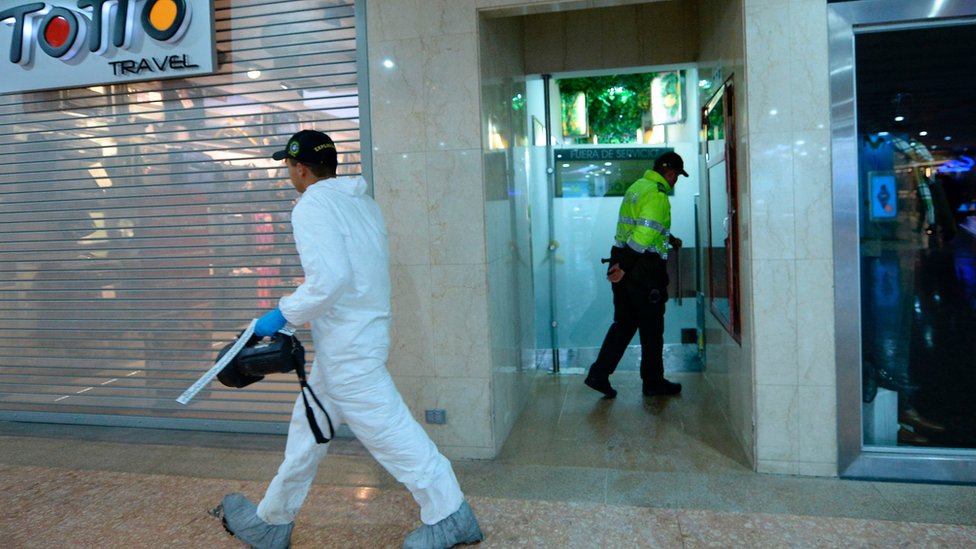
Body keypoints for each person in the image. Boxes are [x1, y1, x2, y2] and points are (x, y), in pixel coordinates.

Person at [217, 130, 484, 549]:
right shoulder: (360, 202)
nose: (289, 174)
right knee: (307, 430)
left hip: (349, 352)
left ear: (300, 169)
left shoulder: (312, 206)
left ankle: (450, 514)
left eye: (288, 167)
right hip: (354, 339)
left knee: (391, 431)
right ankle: (272, 520)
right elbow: (351, 277)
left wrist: (277, 317)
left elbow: (330, 281)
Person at [584, 151, 688, 399]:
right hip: (643, 270)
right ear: (671, 173)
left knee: (625, 323)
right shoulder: (657, 194)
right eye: (677, 177)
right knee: (652, 329)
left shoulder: (638, 187)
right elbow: (643, 234)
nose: (676, 181)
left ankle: (599, 374)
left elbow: (646, 226)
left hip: (623, 260)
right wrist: (626, 267)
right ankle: (653, 383)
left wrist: (669, 239)